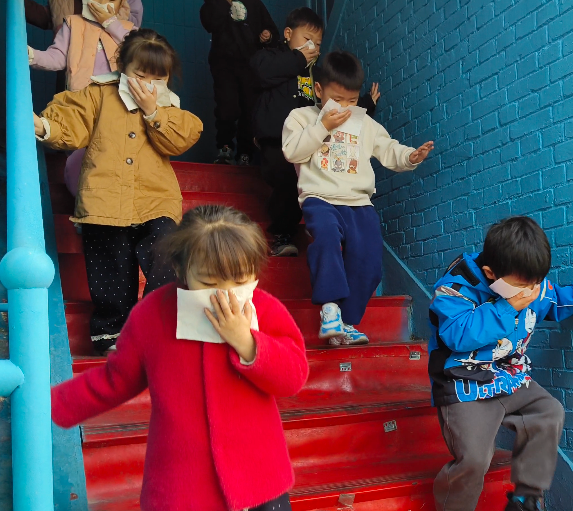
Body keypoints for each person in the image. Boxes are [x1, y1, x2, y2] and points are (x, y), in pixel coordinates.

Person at [51, 205, 309, 511]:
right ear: (180, 268)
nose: (225, 294)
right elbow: (114, 380)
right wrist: (48, 407)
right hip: (184, 491)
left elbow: (293, 376)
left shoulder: (265, 308)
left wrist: (247, 342)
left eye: (239, 281)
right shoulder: (152, 315)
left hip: (258, 483)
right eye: (209, 282)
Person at [427, 216, 573, 511]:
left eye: (536, 284)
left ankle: (523, 506)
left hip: (510, 377)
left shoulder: (529, 283)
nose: (532, 293)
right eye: (523, 288)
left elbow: (556, 300)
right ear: (491, 274)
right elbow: (458, 334)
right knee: (475, 458)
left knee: (548, 412)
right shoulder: (455, 289)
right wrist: (506, 308)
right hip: (465, 386)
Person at [33, 28, 203, 353]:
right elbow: (72, 120)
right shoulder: (98, 94)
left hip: (156, 200)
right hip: (104, 200)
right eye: (140, 75)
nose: (148, 85)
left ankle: (154, 328)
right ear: (122, 67)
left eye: (158, 78)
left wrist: (153, 112)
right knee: (110, 268)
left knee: (167, 253)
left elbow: (179, 140)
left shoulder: (169, 107)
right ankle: (112, 334)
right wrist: (45, 126)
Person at [282, 50, 433, 345]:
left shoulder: (364, 123)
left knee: (370, 262)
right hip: (320, 197)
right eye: (337, 99)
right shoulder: (301, 118)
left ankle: (347, 322)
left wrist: (410, 156)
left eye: (351, 101)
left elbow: (387, 147)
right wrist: (323, 127)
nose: (345, 108)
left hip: (359, 203)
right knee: (326, 238)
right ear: (318, 90)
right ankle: (330, 309)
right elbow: (292, 152)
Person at [250, 7, 380, 256]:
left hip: (309, 141)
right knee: (285, 178)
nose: (313, 47)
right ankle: (282, 233)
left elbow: (337, 101)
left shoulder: (317, 75)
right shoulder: (269, 57)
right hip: (275, 139)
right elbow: (260, 74)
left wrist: (366, 104)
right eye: (306, 39)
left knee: (314, 180)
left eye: (318, 43)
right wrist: (298, 59)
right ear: (288, 34)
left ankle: (317, 226)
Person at [28, 0, 137, 196]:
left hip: (118, 109)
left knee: (114, 157)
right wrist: (32, 55)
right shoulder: (72, 23)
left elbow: (141, 55)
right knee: (79, 162)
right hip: (81, 105)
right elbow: (56, 57)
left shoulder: (129, 30)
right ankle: (86, 203)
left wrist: (111, 24)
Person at [200, 0, 277, 166]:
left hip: (250, 67)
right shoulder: (215, 3)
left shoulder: (255, 4)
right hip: (224, 65)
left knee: (249, 109)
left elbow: (272, 32)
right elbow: (208, 22)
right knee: (226, 107)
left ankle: (245, 153)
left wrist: (268, 35)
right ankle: (225, 148)